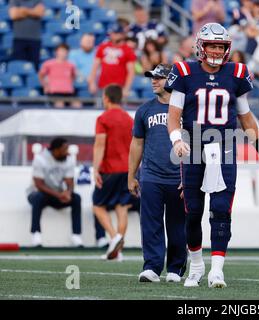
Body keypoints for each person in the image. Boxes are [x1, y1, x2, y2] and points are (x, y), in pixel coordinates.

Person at [166, 23, 259, 288]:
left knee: (220, 210)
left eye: (220, 46)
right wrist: (177, 140)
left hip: (224, 147)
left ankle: (217, 270)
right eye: (212, 46)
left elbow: (246, 118)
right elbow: (173, 118)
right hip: (193, 145)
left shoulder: (235, 74)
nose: (216, 51)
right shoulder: (184, 71)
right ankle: (195, 265)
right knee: (193, 212)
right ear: (200, 47)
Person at [128, 64, 187, 283]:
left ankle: (175, 268)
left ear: (171, 80)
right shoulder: (144, 110)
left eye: (159, 77)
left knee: (178, 225)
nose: (154, 81)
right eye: (152, 77)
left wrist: (191, 176)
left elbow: (198, 141)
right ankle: (152, 266)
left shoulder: (186, 108)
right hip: (151, 175)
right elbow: (136, 144)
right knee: (150, 223)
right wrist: (131, 175)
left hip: (179, 176)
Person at [92, 85, 134, 261]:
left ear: (107, 98)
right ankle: (118, 251)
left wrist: (95, 168)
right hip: (127, 169)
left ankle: (114, 237)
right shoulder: (129, 119)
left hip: (110, 169)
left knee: (97, 205)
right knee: (121, 207)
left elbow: (100, 144)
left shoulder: (103, 118)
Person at [27, 138, 82, 247]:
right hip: (39, 193)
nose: (67, 152)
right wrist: (58, 195)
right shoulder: (40, 159)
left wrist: (68, 192)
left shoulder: (69, 160)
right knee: (38, 197)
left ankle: (76, 235)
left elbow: (70, 181)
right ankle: (36, 234)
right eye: (64, 149)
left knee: (76, 198)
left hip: (58, 195)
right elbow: (39, 184)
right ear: (56, 150)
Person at [88, 25, 137, 99]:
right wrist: (92, 82)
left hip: (119, 87)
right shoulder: (103, 47)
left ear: (122, 34)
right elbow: (95, 66)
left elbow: (131, 72)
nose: (114, 35)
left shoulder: (128, 50)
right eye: (113, 33)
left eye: (117, 33)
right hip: (103, 86)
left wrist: (126, 88)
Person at [39, 44, 79, 108]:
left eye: (65, 51)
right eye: (61, 51)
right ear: (56, 52)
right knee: (60, 104)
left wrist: (68, 83)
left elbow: (74, 76)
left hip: (68, 92)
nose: (63, 53)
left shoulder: (71, 65)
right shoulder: (48, 64)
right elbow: (41, 75)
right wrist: (45, 86)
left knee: (77, 104)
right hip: (54, 92)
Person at [9, 0, 44, 70]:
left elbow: (39, 13)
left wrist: (23, 10)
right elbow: (13, 15)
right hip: (19, 39)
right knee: (19, 67)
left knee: (34, 67)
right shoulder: (15, 1)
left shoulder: (37, 1)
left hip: (35, 39)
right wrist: (32, 11)